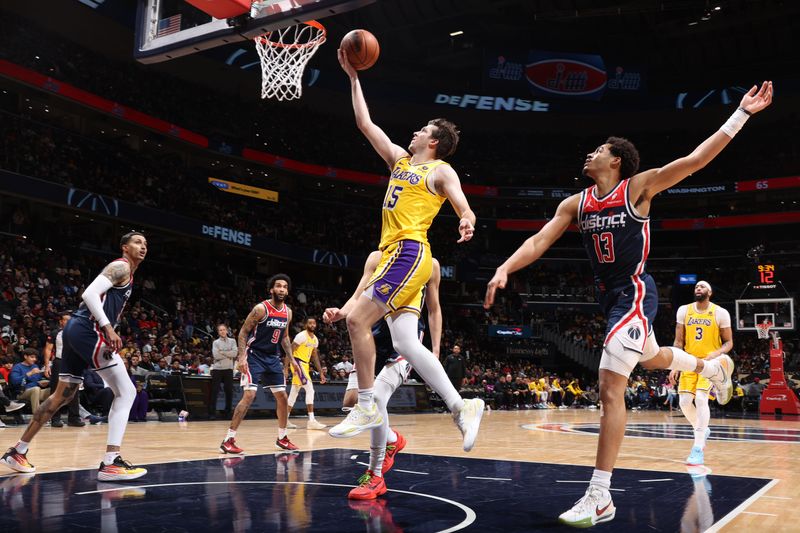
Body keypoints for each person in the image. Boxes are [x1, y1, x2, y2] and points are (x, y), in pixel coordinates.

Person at [484, 82, 772, 527]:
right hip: (609, 298)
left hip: (635, 292)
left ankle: (600, 494)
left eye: (598, 149)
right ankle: (709, 368)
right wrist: (505, 267)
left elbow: (694, 161)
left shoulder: (637, 188)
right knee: (654, 358)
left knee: (609, 385)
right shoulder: (576, 204)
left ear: (615, 160)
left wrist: (742, 114)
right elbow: (539, 239)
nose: (589, 154)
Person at [328, 48, 484, 450]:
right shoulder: (399, 161)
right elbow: (365, 123)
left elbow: (460, 199)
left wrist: (466, 216)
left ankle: (365, 405)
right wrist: (353, 77)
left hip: (409, 252)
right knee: (404, 344)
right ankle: (460, 406)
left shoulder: (439, 169)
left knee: (357, 322)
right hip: (398, 255)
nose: (413, 133)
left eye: (420, 130)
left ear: (433, 142)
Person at [2, 231, 149, 480]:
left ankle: (18, 451)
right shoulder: (120, 266)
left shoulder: (128, 273)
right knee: (127, 392)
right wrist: (108, 327)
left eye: (145, 244)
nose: (143, 246)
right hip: (87, 330)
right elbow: (89, 294)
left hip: (75, 332)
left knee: (62, 396)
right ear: (124, 247)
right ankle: (111, 463)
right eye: (137, 242)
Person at [324, 250, 442, 500]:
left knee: (376, 400)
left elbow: (434, 309)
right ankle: (392, 439)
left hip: (403, 339)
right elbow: (359, 295)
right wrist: (342, 312)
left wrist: (435, 350)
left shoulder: (429, 264)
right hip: (373, 337)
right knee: (351, 401)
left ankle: (375, 476)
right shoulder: (376, 258)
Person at [219, 274, 300, 454]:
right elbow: (243, 332)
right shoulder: (261, 309)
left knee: (283, 397)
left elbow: (285, 337)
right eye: (278, 286)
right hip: (254, 355)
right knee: (249, 395)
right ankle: (228, 439)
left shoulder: (288, 312)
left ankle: (282, 437)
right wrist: (241, 357)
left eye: (285, 287)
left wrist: (292, 360)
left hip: (273, 358)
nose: (282, 289)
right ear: (271, 289)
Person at [669, 281, 733, 466]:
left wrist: (716, 353)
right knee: (684, 402)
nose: (699, 288)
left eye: (703, 286)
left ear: (710, 292)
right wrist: (675, 364)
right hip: (689, 361)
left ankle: (697, 449)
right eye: (697, 286)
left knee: (701, 398)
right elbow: (678, 341)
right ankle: (702, 429)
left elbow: (728, 343)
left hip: (709, 363)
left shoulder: (720, 313)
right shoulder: (684, 310)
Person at [43, 311, 84, 427]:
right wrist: (47, 365)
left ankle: (74, 418)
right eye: (66, 319)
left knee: (74, 390)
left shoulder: (78, 333)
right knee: (56, 390)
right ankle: (55, 418)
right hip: (59, 362)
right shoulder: (55, 333)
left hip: (74, 363)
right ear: (61, 321)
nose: (68, 321)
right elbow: (48, 349)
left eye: (70, 319)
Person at [286, 318, 327, 430]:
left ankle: (284, 420)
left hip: (305, 365)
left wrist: (321, 373)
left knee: (294, 393)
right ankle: (312, 420)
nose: (312, 325)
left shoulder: (315, 340)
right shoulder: (301, 336)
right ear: (305, 325)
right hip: (297, 363)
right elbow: (289, 350)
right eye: (310, 323)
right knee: (310, 389)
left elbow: (315, 357)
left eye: (314, 323)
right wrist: (285, 369)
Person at [209, 324, 237, 420]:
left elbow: (235, 353)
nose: (222, 331)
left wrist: (223, 352)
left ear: (227, 330)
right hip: (217, 369)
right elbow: (216, 356)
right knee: (215, 392)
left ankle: (228, 412)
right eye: (220, 330)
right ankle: (212, 413)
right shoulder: (215, 343)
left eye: (224, 329)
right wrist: (228, 354)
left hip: (228, 369)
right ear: (218, 332)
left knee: (229, 392)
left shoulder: (233, 341)